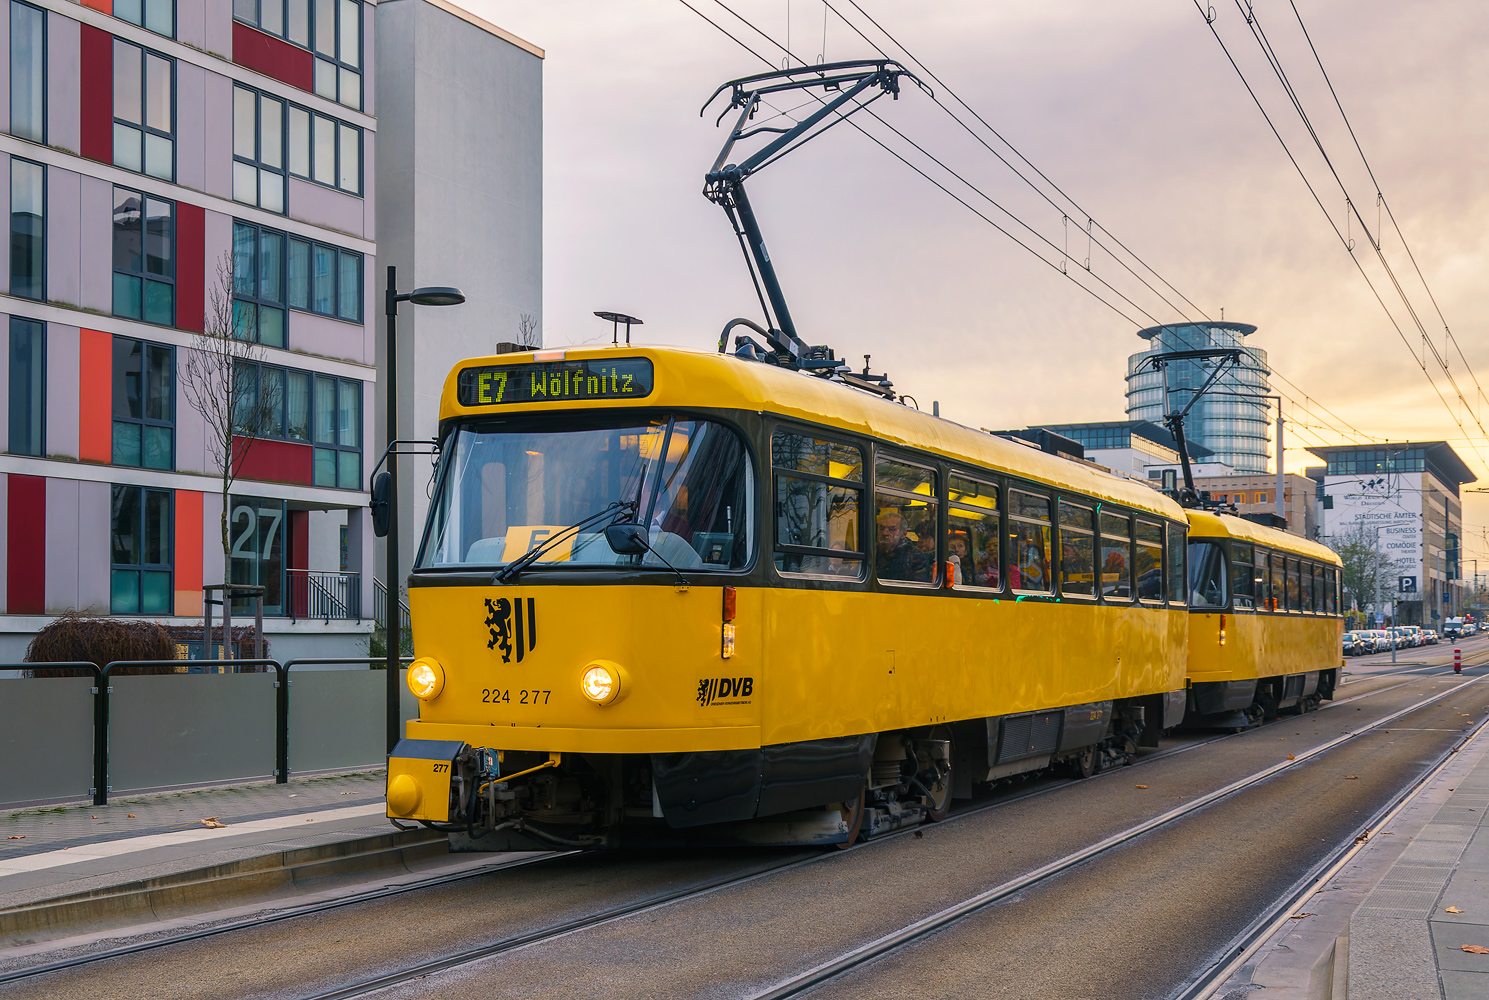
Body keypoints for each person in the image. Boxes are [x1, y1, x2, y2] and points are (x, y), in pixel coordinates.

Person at [877, 509, 930, 582]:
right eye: (881, 528)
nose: (884, 533)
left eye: (892, 529)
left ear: (903, 534)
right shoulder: (872, 552)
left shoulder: (916, 558)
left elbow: (918, 586)